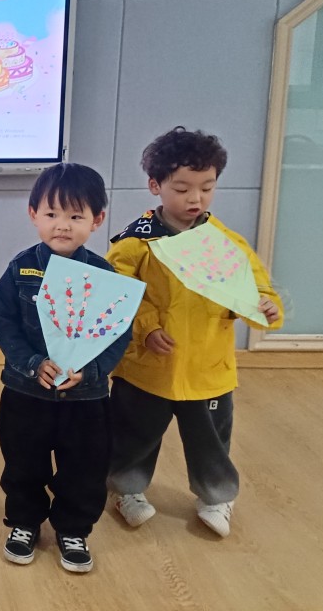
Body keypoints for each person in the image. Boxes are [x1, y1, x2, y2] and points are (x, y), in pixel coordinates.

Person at [106, 126, 283, 538]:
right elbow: (116, 294)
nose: (195, 199)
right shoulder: (135, 242)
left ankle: (217, 495)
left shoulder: (225, 242)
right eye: (182, 188)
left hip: (207, 368)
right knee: (134, 433)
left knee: (211, 439)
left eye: (207, 188)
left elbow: (256, 289)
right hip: (147, 367)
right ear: (156, 185)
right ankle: (126, 489)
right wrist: (147, 328)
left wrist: (264, 306)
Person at [0, 163, 130, 574]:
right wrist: (32, 363)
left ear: (96, 220)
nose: (63, 225)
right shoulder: (20, 270)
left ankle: (73, 529)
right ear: (33, 214)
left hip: (86, 399)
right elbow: (4, 322)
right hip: (25, 393)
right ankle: (24, 522)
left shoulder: (104, 275)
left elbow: (118, 332)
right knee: (23, 463)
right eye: (51, 214)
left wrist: (92, 371)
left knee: (85, 467)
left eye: (75, 216)